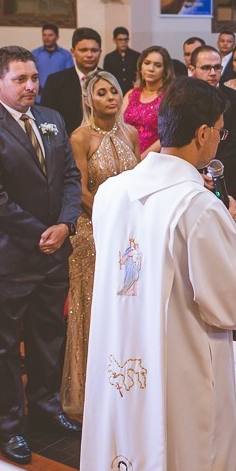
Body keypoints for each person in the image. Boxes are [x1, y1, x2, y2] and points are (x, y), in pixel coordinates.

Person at [80, 78, 236, 471]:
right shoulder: (196, 206)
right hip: (178, 371)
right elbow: (230, 305)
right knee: (185, 468)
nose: (220, 139)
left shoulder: (112, 192)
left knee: (121, 454)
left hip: (119, 362)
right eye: (220, 131)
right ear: (202, 134)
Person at [0, 46, 83, 465]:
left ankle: (46, 407)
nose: (31, 86)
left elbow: (70, 176)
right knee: (5, 344)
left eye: (34, 78)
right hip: (9, 257)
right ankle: (10, 424)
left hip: (53, 251)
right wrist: (41, 233)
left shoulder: (51, 119)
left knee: (49, 336)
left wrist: (65, 224)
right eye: (20, 79)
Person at [61, 71, 140, 418]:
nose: (110, 97)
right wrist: (111, 220)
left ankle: (122, 382)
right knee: (93, 306)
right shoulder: (80, 138)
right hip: (92, 232)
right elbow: (78, 190)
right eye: (102, 92)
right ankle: (88, 391)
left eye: (114, 92)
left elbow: (137, 181)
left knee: (126, 304)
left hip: (129, 233)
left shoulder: (131, 133)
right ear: (88, 100)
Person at [188, 45, 236, 195]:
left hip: (225, 176)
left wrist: (213, 173)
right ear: (192, 69)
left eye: (217, 67)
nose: (212, 73)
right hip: (188, 175)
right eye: (206, 68)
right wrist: (194, 173)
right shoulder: (182, 99)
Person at [41, 27, 103, 133]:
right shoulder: (55, 82)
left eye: (94, 50)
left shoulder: (110, 81)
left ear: (100, 52)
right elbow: (47, 120)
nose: (89, 55)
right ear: (72, 52)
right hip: (66, 139)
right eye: (83, 50)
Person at [122, 46, 174, 153]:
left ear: (165, 71)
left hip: (155, 156)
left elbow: (168, 135)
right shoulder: (130, 94)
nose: (151, 69)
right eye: (147, 63)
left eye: (157, 65)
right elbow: (118, 126)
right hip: (125, 152)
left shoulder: (170, 97)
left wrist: (142, 158)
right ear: (140, 67)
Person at [31, 23, 73, 96]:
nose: (46, 38)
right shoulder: (35, 54)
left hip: (59, 94)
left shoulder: (66, 55)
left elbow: (69, 75)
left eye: (50, 35)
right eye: (44, 35)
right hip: (39, 96)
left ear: (57, 37)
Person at [103, 26, 139, 93]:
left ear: (128, 39)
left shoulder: (136, 56)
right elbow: (107, 77)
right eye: (120, 39)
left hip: (133, 91)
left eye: (125, 39)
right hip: (115, 92)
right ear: (114, 40)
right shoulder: (109, 58)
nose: (123, 42)